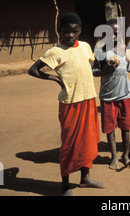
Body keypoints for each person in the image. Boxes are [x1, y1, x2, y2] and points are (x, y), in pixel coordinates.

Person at [28, 13, 104, 196]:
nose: (71, 35)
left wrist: (107, 67)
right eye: (66, 31)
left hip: (89, 100)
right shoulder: (55, 51)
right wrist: (55, 78)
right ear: (59, 31)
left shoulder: (85, 47)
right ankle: (65, 185)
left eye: (74, 31)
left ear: (80, 31)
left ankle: (85, 178)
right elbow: (33, 70)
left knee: (87, 142)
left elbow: (91, 70)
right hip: (70, 104)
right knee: (69, 144)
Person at [93, 19, 130, 170]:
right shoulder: (101, 52)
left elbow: (126, 63)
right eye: (109, 34)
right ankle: (114, 156)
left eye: (116, 34)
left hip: (125, 95)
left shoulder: (122, 47)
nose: (113, 37)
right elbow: (94, 71)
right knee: (110, 129)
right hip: (108, 97)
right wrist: (106, 70)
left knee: (126, 128)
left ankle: (125, 155)